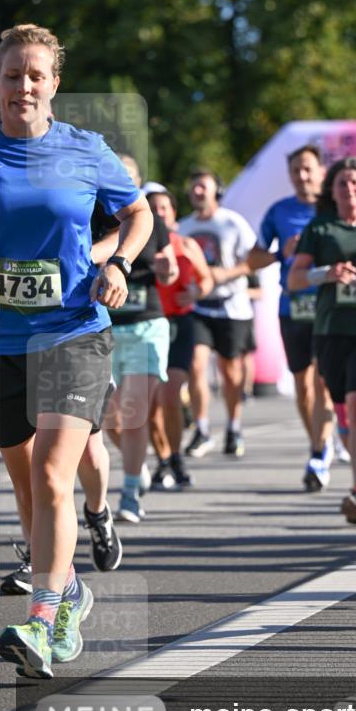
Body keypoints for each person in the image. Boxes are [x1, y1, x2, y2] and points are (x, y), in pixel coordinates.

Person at [0, 23, 152, 677]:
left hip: (73, 330)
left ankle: (40, 622)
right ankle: (66, 591)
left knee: (55, 475)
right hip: (2, 339)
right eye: (12, 75)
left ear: (54, 84)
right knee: (27, 485)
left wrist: (117, 261)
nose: (23, 86)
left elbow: (138, 214)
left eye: (36, 75)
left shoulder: (85, 151)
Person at [288, 156, 356, 523]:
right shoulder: (319, 228)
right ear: (331, 191)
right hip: (332, 329)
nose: (349, 189)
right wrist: (327, 273)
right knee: (344, 412)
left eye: (355, 182)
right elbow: (295, 280)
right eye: (341, 183)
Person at [248, 144, 335, 490]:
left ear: (322, 172)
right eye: (296, 170)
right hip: (293, 307)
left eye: (308, 169)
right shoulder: (279, 212)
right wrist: (278, 253)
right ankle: (319, 439)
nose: (302, 176)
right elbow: (252, 261)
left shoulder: (333, 209)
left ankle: (319, 450)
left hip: (330, 306)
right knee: (302, 385)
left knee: (323, 382)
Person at [97, 158, 179, 523]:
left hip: (147, 324)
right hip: (105, 327)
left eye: (128, 178)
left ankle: (130, 494)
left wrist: (167, 268)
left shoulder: (151, 220)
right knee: (109, 417)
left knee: (133, 412)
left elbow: (170, 265)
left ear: (138, 183)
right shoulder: (92, 215)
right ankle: (138, 465)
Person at [178, 169, 256, 459]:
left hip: (232, 305)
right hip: (198, 306)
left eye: (203, 187)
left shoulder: (233, 223)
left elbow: (253, 262)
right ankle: (201, 429)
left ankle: (234, 427)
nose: (197, 192)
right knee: (196, 364)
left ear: (217, 191)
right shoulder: (182, 227)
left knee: (230, 371)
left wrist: (225, 273)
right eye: (194, 187)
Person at [144, 184, 213, 489]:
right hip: (145, 325)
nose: (159, 213)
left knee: (170, 394)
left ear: (173, 213)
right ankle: (163, 459)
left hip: (179, 325)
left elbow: (207, 279)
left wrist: (197, 291)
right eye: (153, 208)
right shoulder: (136, 246)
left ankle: (176, 457)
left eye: (164, 208)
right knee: (148, 403)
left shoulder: (186, 244)